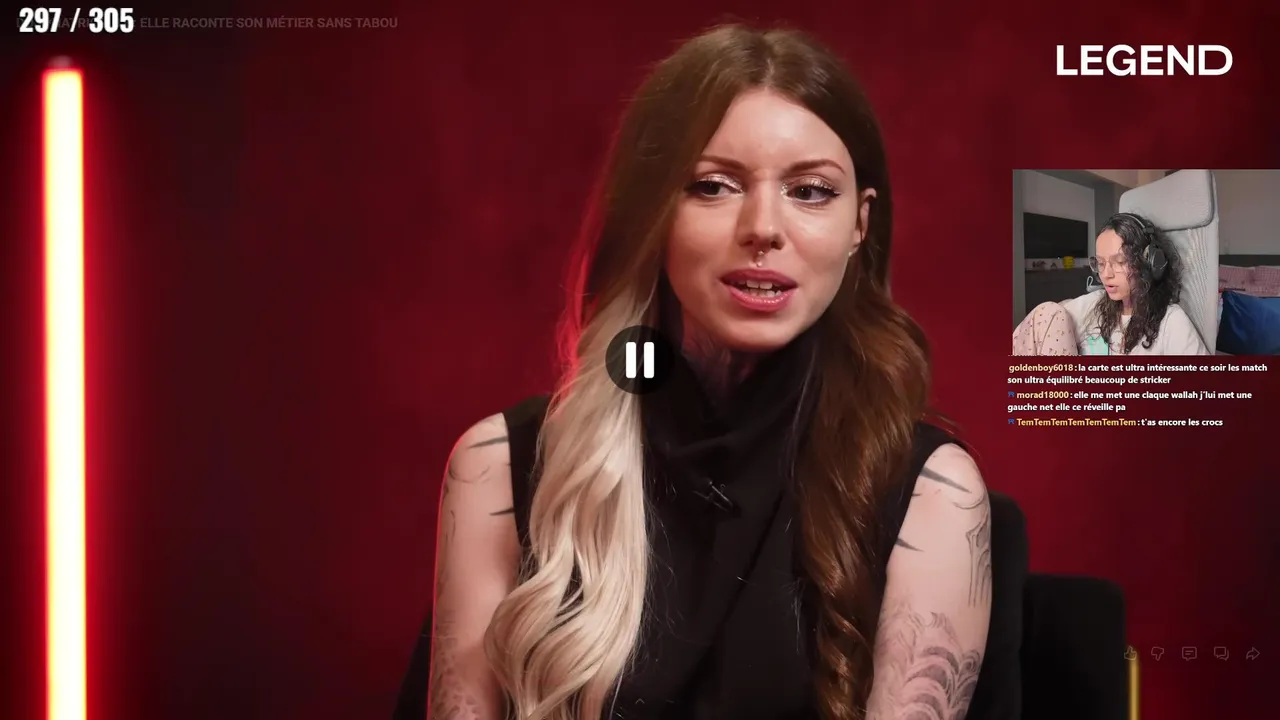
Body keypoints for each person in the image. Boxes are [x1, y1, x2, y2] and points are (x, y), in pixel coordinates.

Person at [428, 23, 1009, 720]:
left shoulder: (934, 496)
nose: (763, 227)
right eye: (713, 185)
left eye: (811, 191)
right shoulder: (498, 467)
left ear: (860, 224)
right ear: (653, 213)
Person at [1012, 212, 1208, 355]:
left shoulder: (1172, 321)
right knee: (1048, 311)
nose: (1106, 274)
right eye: (1100, 263)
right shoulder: (1096, 303)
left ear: (1149, 263)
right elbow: (1047, 321)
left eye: (1120, 262)